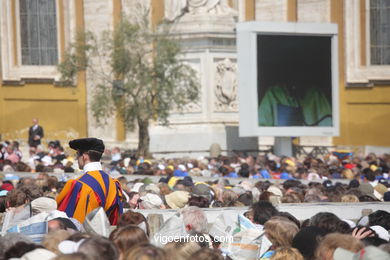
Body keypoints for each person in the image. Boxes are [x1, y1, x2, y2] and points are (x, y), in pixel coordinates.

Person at [56, 138, 124, 224]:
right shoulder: (114, 183)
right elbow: (115, 219)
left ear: (85, 156)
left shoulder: (78, 184)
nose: (77, 158)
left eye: (77, 154)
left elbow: (64, 220)